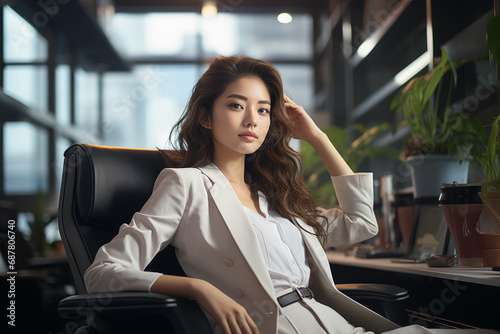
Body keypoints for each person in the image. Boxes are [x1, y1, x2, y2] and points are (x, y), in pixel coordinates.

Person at [84, 56, 498, 334]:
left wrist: (317, 137)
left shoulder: (275, 193)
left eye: (264, 109)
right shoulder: (187, 184)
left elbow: (360, 224)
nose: (252, 120)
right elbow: (102, 272)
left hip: (334, 323)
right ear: (206, 117)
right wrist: (198, 289)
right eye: (236, 105)